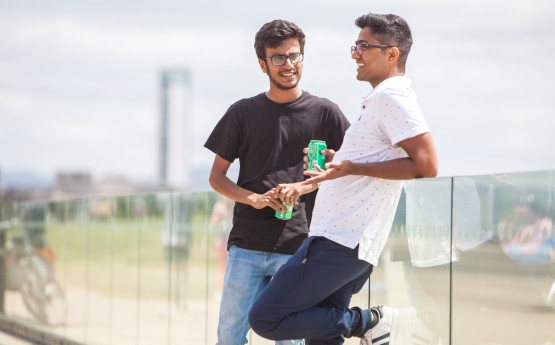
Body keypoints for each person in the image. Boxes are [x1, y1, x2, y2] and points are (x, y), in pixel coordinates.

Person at [248, 12, 438, 345]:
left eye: (364, 46)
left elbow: (426, 165)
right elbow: (374, 163)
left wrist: (351, 168)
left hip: (340, 242)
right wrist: (339, 163)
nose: (355, 53)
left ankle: (373, 320)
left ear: (392, 53)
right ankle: (369, 323)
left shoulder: (391, 97)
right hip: (345, 242)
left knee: (266, 317)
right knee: (321, 336)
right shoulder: (377, 100)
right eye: (356, 45)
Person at [204, 19, 350, 345]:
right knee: (229, 338)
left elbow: (351, 168)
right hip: (245, 246)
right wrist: (254, 199)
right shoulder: (241, 113)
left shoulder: (326, 112)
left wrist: (314, 179)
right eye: (279, 58)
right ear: (262, 64)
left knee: (291, 342)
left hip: (300, 248)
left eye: (295, 56)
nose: (289, 64)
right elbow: (216, 176)